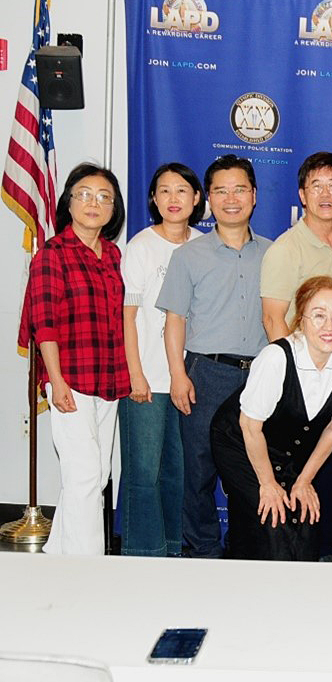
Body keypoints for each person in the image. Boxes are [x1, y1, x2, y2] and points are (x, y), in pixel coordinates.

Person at [156, 154, 271, 558]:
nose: (231, 199)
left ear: (254, 195)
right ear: (208, 198)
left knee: (252, 470)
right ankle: (202, 551)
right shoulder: (189, 255)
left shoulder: (274, 253)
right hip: (206, 372)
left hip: (260, 375)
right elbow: (175, 319)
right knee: (198, 470)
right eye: (221, 191)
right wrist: (178, 374)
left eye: (239, 190)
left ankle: (246, 551)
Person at [260, 152, 332, 560]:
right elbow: (273, 318)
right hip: (303, 385)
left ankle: (325, 552)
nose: (326, 194)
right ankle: (298, 557)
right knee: (301, 473)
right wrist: (293, 381)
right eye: (316, 185)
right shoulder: (285, 249)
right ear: (302, 194)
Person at [212, 276, 332, 560]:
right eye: (318, 315)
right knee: (271, 523)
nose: (329, 326)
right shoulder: (277, 357)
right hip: (240, 440)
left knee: (305, 528)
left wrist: (304, 481)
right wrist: (268, 484)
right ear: (301, 320)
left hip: (284, 446)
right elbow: (249, 427)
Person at [19, 163, 129, 555]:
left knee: (94, 475)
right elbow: (43, 324)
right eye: (84, 194)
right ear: (69, 202)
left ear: (114, 209)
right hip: (70, 377)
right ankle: (88, 568)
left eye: (104, 197)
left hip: (108, 378)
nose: (93, 203)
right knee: (84, 474)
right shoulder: (52, 255)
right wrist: (56, 380)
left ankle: (59, 556)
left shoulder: (113, 255)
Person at [119, 163, 205, 557]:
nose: (173, 198)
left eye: (181, 190)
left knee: (178, 471)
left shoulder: (204, 246)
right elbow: (129, 317)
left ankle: (172, 550)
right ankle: (143, 554)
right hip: (148, 378)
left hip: (190, 378)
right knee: (143, 471)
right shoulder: (141, 247)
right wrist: (135, 374)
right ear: (153, 199)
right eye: (164, 190)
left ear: (196, 198)